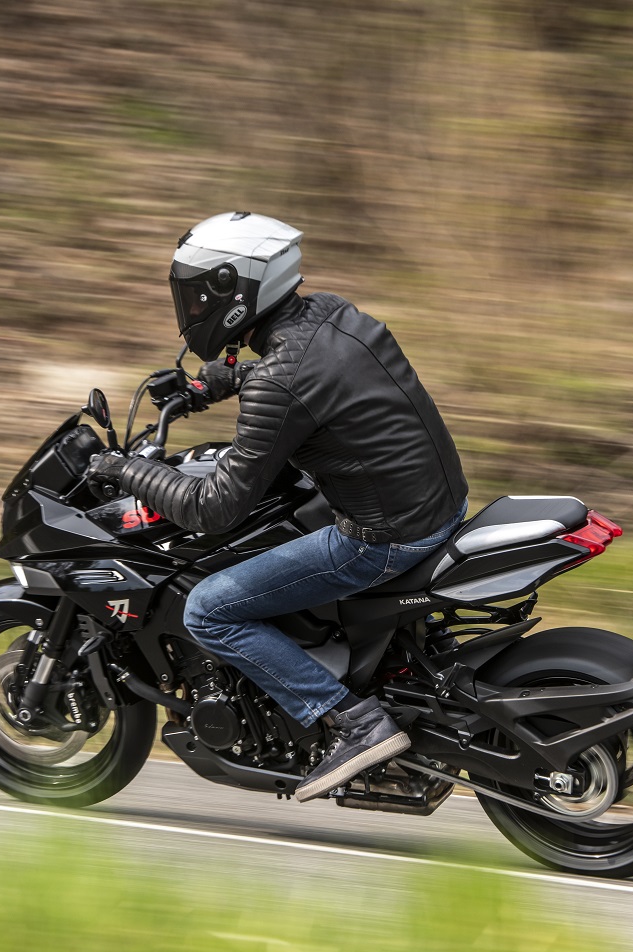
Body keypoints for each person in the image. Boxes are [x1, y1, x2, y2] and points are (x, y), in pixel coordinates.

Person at [89, 211, 468, 803]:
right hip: (435, 501)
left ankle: (355, 723)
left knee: (209, 609)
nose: (191, 310)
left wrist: (126, 470)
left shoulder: (280, 383)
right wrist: (218, 381)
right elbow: (302, 374)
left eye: (197, 296)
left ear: (233, 291)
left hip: (384, 538)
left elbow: (212, 508)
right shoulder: (331, 314)